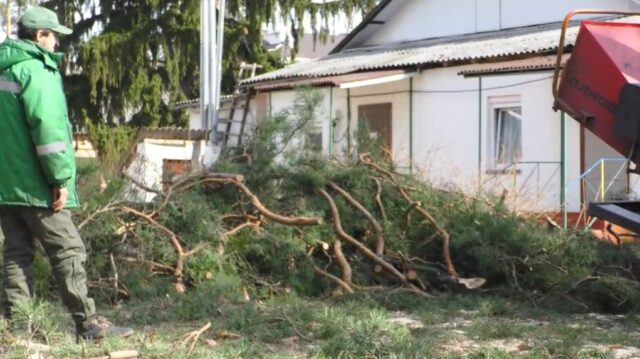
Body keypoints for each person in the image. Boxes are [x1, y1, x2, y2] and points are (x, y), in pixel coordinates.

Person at [0, 6, 133, 340]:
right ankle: (88, 324)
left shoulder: (4, 70)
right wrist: (59, 179)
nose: (57, 43)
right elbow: (49, 132)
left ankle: (18, 328)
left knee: (17, 253)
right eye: (53, 35)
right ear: (39, 36)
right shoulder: (36, 70)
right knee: (69, 249)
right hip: (36, 185)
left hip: (5, 186)